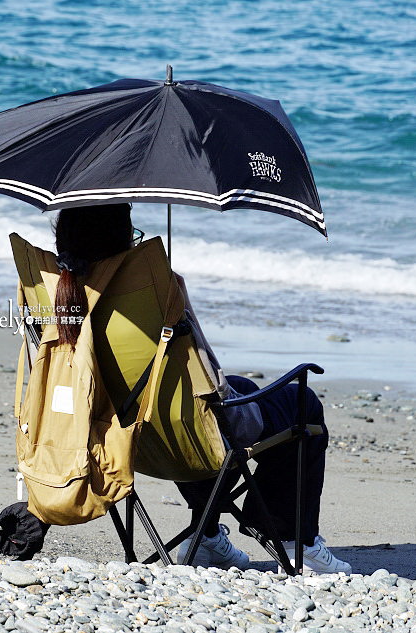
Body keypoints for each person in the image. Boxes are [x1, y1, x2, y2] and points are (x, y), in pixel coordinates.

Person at [52, 202, 351, 574]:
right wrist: (177, 294)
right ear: (124, 238)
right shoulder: (161, 290)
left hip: (121, 440)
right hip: (191, 433)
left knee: (225, 395)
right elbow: (210, 376)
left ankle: (206, 535)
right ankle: (293, 537)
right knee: (301, 401)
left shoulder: (59, 295)